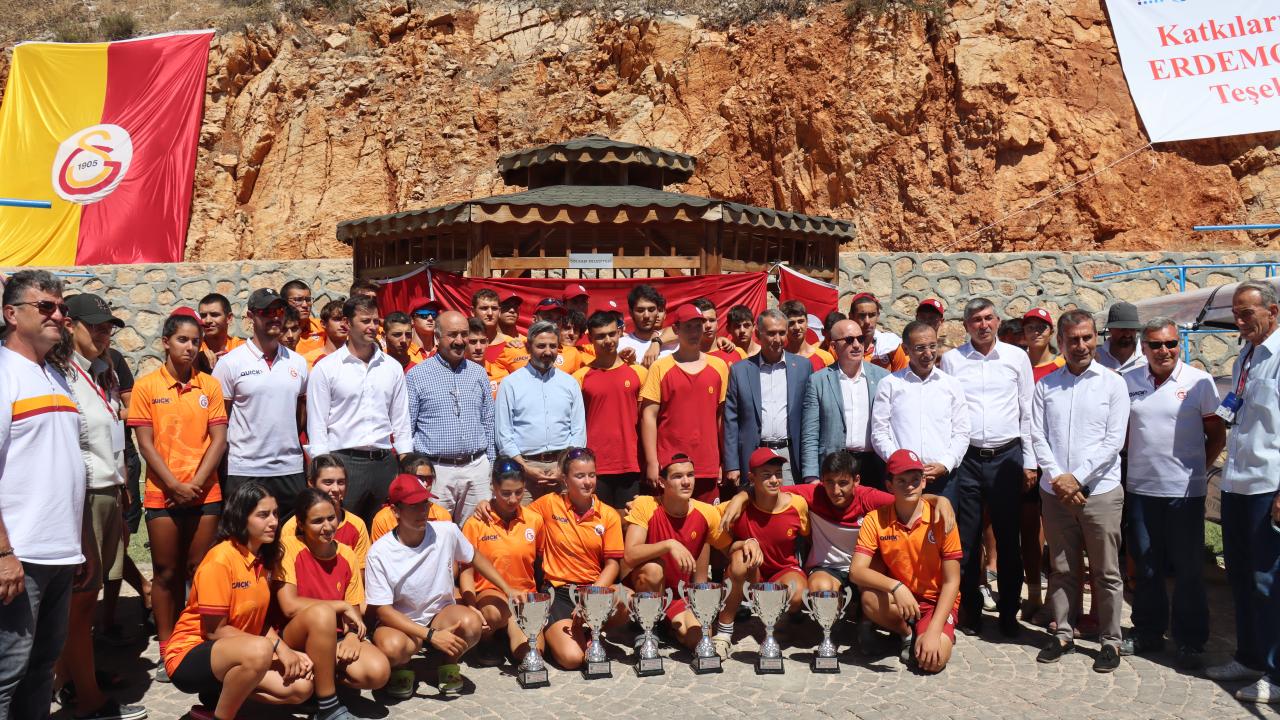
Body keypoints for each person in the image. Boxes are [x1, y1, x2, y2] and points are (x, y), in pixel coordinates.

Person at [0, 271, 94, 720]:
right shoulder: (4, 374)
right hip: (21, 555)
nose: (58, 315)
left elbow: (65, 465)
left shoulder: (54, 375)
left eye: (61, 308)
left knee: (42, 668)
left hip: (59, 552)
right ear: (11, 314)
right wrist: (3, 553)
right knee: (6, 673)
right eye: (46, 307)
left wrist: (81, 544)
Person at [58, 294, 146, 720]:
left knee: (87, 599)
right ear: (69, 325)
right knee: (80, 601)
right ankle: (85, 695)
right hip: (85, 494)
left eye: (107, 326)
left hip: (109, 489)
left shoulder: (103, 370)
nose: (103, 333)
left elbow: (110, 434)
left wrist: (123, 483)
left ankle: (76, 677)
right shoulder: (60, 374)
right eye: (94, 325)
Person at [129, 310, 229, 682]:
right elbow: (145, 444)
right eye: (182, 340)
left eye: (195, 341)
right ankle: (167, 647)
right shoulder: (146, 387)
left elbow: (218, 439)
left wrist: (196, 484)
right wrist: (174, 485)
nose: (189, 347)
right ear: (166, 343)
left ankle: (195, 642)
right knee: (166, 574)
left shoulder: (210, 386)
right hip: (163, 494)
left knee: (199, 571)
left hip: (205, 493)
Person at [162, 482, 312, 720]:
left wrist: (286, 651)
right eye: (263, 515)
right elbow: (216, 631)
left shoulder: (263, 559)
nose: (273, 521)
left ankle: (216, 702)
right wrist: (274, 650)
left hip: (242, 650)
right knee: (261, 651)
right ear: (241, 518)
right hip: (189, 655)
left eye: (275, 513)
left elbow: (256, 623)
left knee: (302, 686)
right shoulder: (220, 559)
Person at [1031, 309, 1129, 673]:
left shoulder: (1112, 384)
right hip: (1055, 493)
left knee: (1106, 570)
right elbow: (1037, 435)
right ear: (1061, 342)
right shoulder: (1046, 386)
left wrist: (1078, 478)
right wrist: (1059, 478)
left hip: (1100, 491)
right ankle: (1063, 633)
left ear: (1096, 339)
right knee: (1061, 567)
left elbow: (1113, 441)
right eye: (1073, 339)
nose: (1081, 345)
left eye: (1087, 337)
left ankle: (1110, 640)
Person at [1122, 317, 1223, 668]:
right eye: (1155, 344)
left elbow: (1217, 434)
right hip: (1141, 490)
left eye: (1171, 344)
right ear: (1144, 347)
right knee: (1147, 566)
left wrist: (1196, 471)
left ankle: (1190, 641)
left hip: (1185, 493)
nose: (1164, 350)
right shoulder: (1128, 381)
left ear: (1179, 344)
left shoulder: (1199, 382)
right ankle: (1148, 632)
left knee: (1188, 569)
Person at [366, 474, 518, 698]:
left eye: (425, 504)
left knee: (471, 624)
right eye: (413, 506)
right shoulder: (379, 552)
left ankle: (448, 663)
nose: (422, 511)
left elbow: (474, 557)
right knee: (392, 648)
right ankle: (402, 668)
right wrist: (430, 635)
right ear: (396, 511)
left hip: (440, 613)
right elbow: (383, 611)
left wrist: (508, 589)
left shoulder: (447, 531)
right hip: (401, 621)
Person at [938, 298, 1037, 637]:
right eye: (976, 320)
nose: (983, 325)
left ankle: (1008, 612)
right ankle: (971, 609)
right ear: (966, 326)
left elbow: (1028, 410)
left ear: (997, 321)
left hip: (1007, 458)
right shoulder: (952, 361)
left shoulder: (1016, 358)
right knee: (966, 541)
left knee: (1009, 540)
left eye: (989, 318)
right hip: (967, 459)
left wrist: (1030, 462)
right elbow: (948, 410)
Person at [1207, 281, 1280, 702]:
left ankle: (1276, 672)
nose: (1239, 321)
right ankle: (1250, 657)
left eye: (1246, 313)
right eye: (1235, 314)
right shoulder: (1246, 357)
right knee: (1240, 576)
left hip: (1268, 484)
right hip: (1237, 480)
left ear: (1273, 311)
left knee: (1268, 581)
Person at [276, 489, 391, 717]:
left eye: (331, 518)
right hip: (295, 636)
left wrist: (351, 636)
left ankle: (321, 678)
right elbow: (289, 607)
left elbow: (354, 612)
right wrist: (339, 605)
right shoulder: (288, 548)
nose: (328, 527)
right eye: (317, 521)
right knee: (322, 614)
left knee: (378, 672)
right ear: (301, 524)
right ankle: (327, 706)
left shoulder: (347, 554)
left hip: (335, 637)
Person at [850, 449, 962, 673]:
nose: (909, 486)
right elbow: (856, 571)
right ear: (889, 486)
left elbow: (952, 582)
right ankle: (906, 633)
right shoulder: (875, 519)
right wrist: (896, 587)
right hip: (901, 598)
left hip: (934, 601)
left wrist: (933, 631)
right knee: (869, 599)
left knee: (933, 661)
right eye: (901, 481)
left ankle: (931, 629)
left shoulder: (942, 517)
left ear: (924, 482)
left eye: (915, 480)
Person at [306, 295, 412, 525]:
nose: (372, 327)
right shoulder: (326, 368)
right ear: (347, 322)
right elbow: (317, 424)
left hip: (384, 463)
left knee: (386, 529)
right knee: (342, 529)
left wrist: (406, 461)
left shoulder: (392, 367)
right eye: (365, 321)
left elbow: (401, 421)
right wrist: (325, 470)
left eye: (375, 321)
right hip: (343, 462)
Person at [517, 448, 623, 670]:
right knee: (572, 659)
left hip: (594, 588)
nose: (588, 482)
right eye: (580, 476)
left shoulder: (608, 514)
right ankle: (569, 632)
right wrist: (486, 505)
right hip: (560, 592)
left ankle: (592, 630)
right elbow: (513, 512)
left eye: (592, 475)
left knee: (626, 599)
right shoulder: (548, 504)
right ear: (565, 479)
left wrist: (592, 596)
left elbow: (613, 564)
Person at [213, 289, 309, 515]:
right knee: (244, 535)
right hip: (245, 469)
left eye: (279, 311)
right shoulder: (230, 363)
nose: (274, 316)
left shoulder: (298, 363)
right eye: (266, 311)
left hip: (289, 469)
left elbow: (301, 414)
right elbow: (220, 420)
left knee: (289, 534)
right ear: (250, 316)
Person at [622, 452, 729, 652]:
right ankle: (648, 627)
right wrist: (669, 544)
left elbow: (730, 550)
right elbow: (630, 554)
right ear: (662, 482)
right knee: (653, 570)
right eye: (678, 476)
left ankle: (667, 625)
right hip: (646, 589)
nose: (686, 482)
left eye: (690, 475)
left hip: (679, 595)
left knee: (699, 640)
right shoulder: (645, 505)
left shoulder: (706, 512)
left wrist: (748, 543)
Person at [711, 448, 809, 659]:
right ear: (751, 478)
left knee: (798, 591)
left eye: (778, 474)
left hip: (783, 571)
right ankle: (724, 633)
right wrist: (742, 543)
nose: (774, 480)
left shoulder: (797, 504)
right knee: (739, 560)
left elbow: (808, 540)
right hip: (751, 574)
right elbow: (706, 519)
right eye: (766, 475)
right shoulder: (736, 507)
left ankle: (784, 618)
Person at [406, 310, 495, 523]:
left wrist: (490, 463)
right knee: (435, 531)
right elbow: (407, 426)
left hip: (477, 468)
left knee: (478, 531)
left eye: (464, 334)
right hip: (436, 470)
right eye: (453, 334)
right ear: (437, 338)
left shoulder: (478, 373)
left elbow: (488, 420)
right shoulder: (417, 375)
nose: (460, 340)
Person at [641, 305, 731, 503]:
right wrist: (652, 461)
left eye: (698, 326)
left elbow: (722, 417)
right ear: (676, 329)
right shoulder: (660, 367)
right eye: (688, 327)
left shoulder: (719, 367)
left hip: (707, 464)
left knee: (708, 520)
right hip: (670, 466)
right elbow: (648, 416)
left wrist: (725, 460)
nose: (694, 332)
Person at [871, 321, 970, 496]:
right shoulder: (889, 384)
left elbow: (962, 432)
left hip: (943, 479)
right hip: (903, 479)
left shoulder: (951, 385)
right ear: (906, 349)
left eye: (932, 346)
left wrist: (945, 464)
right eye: (920, 348)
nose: (928, 353)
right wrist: (904, 464)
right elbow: (879, 433)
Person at [460, 459, 543, 663]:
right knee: (494, 613)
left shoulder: (534, 520)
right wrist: (471, 606)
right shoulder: (475, 524)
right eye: (505, 493)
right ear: (493, 487)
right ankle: (487, 640)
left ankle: (510, 637)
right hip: (490, 595)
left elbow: (540, 565)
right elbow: (466, 571)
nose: (513, 499)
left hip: (524, 596)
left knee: (531, 656)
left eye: (519, 492)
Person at [495, 321, 586, 499]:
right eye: (541, 346)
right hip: (523, 471)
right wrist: (525, 468)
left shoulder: (570, 384)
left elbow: (578, 431)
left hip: (562, 469)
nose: (548, 352)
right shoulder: (510, 384)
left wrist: (563, 467)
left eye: (553, 346)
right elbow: (503, 434)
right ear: (528, 347)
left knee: (563, 518)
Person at [724, 308, 812, 487]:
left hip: (790, 455)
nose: (777, 339)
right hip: (754, 454)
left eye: (782, 333)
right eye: (771, 333)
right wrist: (732, 464)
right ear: (758, 334)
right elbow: (731, 420)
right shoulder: (740, 370)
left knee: (789, 502)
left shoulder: (803, 367)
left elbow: (811, 416)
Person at [802, 319, 890, 489]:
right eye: (849, 340)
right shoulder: (818, 381)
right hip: (834, 465)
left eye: (860, 339)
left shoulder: (883, 378)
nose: (856, 345)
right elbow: (810, 433)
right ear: (833, 346)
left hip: (874, 465)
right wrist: (811, 476)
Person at [573, 311, 648, 510]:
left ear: (620, 333)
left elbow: (646, 420)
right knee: (598, 521)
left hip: (631, 462)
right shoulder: (580, 377)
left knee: (628, 520)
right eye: (600, 336)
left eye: (611, 334)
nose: (607, 340)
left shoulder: (639, 373)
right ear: (590, 338)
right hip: (593, 466)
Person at [278, 455, 371, 568]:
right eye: (328, 482)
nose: (336, 489)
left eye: (341, 482)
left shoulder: (357, 525)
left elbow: (360, 572)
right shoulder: (292, 527)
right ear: (311, 483)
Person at [368, 458, 453, 543]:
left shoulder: (442, 515)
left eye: (429, 479)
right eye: (419, 478)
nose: (425, 484)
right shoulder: (383, 519)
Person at [849, 293, 907, 372]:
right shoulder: (842, 347)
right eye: (862, 315)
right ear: (851, 316)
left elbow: (902, 377)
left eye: (872, 315)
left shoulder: (891, 345)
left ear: (878, 316)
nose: (867, 321)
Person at [617, 284, 673, 367]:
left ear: (657, 311)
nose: (646, 315)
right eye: (640, 310)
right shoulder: (619, 346)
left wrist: (656, 342)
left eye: (651, 309)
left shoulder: (672, 343)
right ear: (631, 313)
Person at [779, 300, 834, 370]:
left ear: (807, 322)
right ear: (783, 325)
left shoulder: (825, 358)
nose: (797, 327)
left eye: (800, 321)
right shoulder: (777, 358)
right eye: (791, 323)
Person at [1096, 301, 1146, 374]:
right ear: (1110, 329)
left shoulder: (1147, 356)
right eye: (1122, 329)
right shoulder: (1096, 357)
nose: (1127, 334)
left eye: (1132, 329)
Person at [196, 293, 243, 371]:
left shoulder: (241, 348)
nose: (208, 320)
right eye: (203, 316)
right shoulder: (194, 349)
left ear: (229, 318)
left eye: (214, 315)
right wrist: (197, 362)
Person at [693, 298, 744, 366]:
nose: (708, 325)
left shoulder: (738, 352)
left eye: (712, 320)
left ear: (717, 324)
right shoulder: (688, 360)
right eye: (703, 321)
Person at [303, 299, 348, 370]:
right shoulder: (307, 361)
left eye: (347, 320)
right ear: (323, 324)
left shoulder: (360, 358)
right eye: (337, 319)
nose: (343, 324)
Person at [281, 280, 323, 356]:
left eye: (308, 300)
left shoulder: (322, 327)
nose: (305, 305)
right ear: (284, 302)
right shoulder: (277, 330)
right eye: (298, 300)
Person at [1023, 308, 1064, 381]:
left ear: (1051, 333)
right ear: (1024, 334)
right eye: (1030, 328)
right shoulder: (1018, 365)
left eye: (1041, 327)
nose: (1036, 332)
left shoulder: (1062, 366)